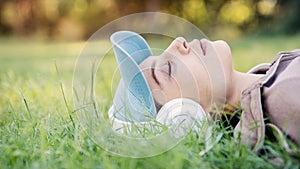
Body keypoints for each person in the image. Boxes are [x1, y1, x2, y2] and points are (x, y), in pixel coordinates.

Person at [109, 31, 300, 153]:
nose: (178, 42)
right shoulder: (285, 95)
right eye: (167, 68)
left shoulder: (273, 76)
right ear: (185, 116)